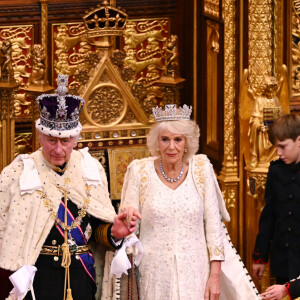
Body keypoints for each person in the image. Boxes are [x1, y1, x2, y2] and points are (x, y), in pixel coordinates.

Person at [0, 74, 140, 300]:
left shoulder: (90, 169)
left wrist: (114, 233)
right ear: (39, 136)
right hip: (38, 279)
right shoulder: (16, 174)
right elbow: (5, 235)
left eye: (65, 141)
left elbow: (96, 230)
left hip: (80, 276)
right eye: (50, 139)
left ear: (76, 139)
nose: (57, 149)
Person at [119, 104, 260, 300]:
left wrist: (215, 276)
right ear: (156, 142)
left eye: (178, 139)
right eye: (165, 139)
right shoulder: (139, 171)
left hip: (196, 274)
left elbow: (214, 227)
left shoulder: (201, 168)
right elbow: (128, 226)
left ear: (187, 142)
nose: (171, 146)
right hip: (154, 273)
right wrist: (128, 219)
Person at [251, 113, 300, 299]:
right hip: (283, 261)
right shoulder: (275, 171)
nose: (278, 152)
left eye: (283, 146)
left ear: (299, 141)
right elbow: (268, 216)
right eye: (276, 147)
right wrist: (260, 256)